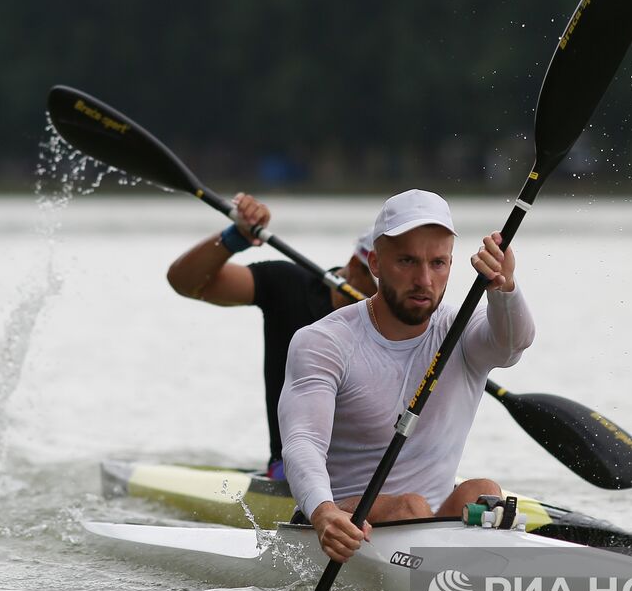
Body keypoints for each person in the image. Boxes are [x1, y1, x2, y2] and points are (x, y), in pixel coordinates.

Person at [278, 189, 535, 562]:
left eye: (438, 263)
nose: (424, 280)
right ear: (376, 263)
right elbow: (302, 442)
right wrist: (322, 512)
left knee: (481, 490)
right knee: (409, 507)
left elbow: (513, 345)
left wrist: (505, 289)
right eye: (407, 261)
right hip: (343, 527)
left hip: (429, 525)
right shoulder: (323, 341)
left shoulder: (461, 331)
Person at [166, 193, 378, 479]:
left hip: (377, 471)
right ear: (356, 267)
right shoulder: (289, 286)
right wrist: (234, 238)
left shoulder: (413, 318)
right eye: (383, 283)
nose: (393, 295)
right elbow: (186, 282)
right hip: (295, 468)